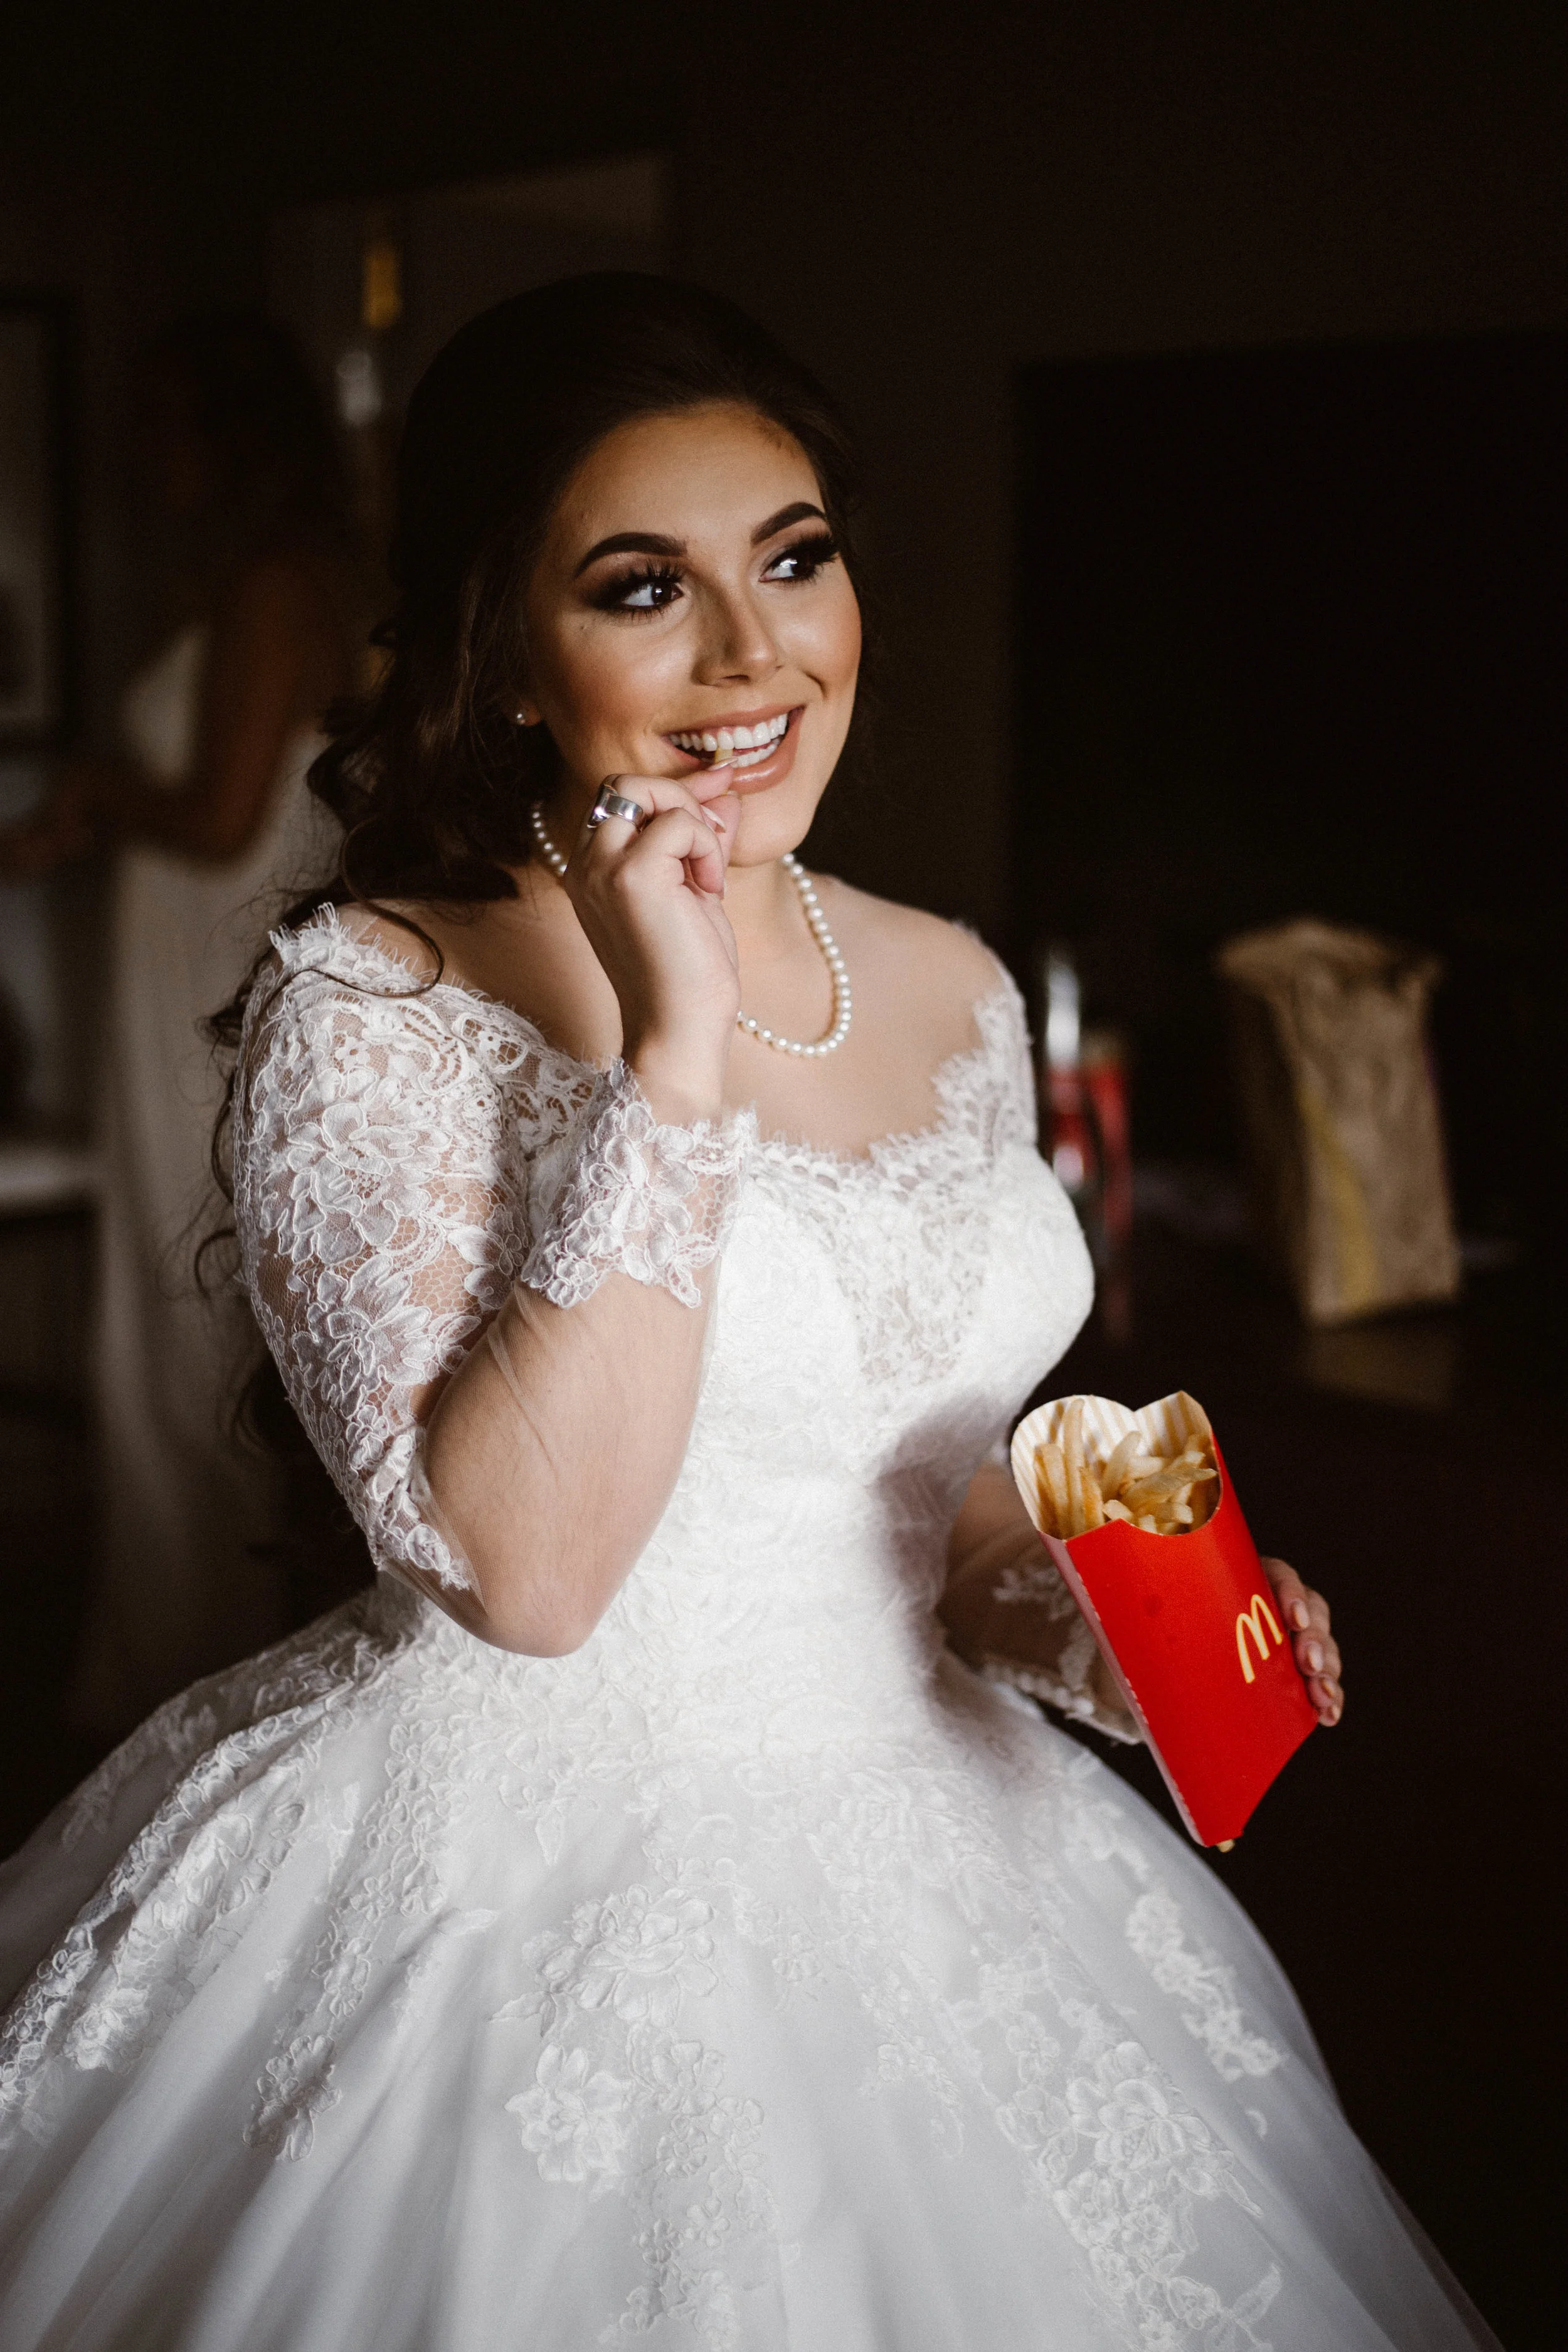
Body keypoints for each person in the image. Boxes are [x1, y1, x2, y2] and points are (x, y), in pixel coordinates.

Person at [0, 277, 1495, 2351]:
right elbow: (526, 1575)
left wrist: (1090, 1627)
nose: (749, 653)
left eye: (793, 558)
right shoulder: (380, 1005)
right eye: (641, 587)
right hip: (513, 1897)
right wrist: (670, 1057)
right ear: (504, 654)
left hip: (970, 1865)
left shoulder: (954, 986)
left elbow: (927, 1488)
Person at [1, 316, 354, 1734]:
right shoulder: (265, 582)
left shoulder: (276, 588)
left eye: (165, 425)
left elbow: (219, 819)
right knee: (171, 1314)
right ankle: (173, 1647)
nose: (145, 459)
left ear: (235, 438)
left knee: (180, 1317)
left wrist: (98, 789)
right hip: (177, 982)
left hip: (204, 982)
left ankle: (181, 1673)